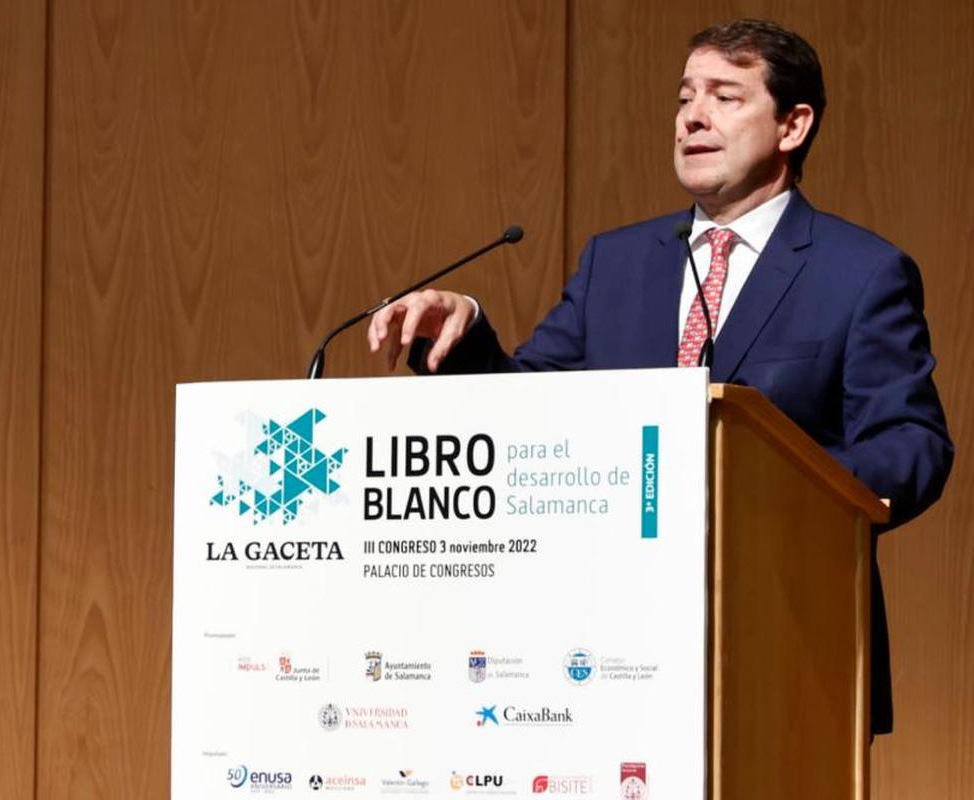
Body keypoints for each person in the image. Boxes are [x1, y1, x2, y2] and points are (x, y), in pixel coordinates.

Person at [366, 19, 952, 735]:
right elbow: (527, 412)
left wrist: (777, 481)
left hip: (784, 641)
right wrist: (457, 337)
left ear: (793, 125)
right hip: (601, 650)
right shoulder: (618, 261)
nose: (693, 117)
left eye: (725, 97)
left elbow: (910, 444)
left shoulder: (859, 273)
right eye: (685, 98)